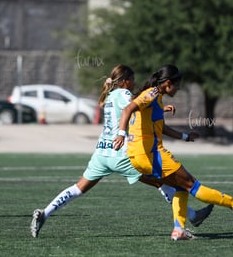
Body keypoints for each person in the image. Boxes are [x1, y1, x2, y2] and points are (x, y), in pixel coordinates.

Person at [30, 64, 213, 238]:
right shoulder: (124, 93)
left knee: (79, 188)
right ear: (125, 80)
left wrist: (160, 108)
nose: (134, 83)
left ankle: (45, 213)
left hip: (102, 153)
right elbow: (132, 106)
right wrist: (156, 109)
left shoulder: (109, 95)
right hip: (122, 153)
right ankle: (190, 218)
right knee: (162, 181)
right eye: (132, 79)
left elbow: (134, 108)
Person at [113, 64, 233, 241]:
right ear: (167, 83)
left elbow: (160, 127)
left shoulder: (155, 97)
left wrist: (184, 136)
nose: (179, 88)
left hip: (137, 156)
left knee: (180, 188)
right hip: (151, 154)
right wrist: (121, 134)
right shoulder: (151, 94)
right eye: (177, 84)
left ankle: (179, 229)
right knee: (192, 184)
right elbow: (127, 109)